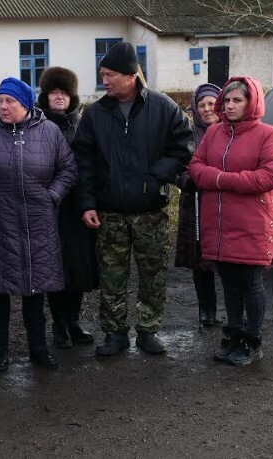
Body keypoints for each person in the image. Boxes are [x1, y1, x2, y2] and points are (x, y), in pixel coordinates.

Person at [73, 42, 193, 356]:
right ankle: (115, 334)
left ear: (130, 75)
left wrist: (155, 177)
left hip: (151, 211)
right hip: (109, 213)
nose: (104, 81)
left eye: (109, 74)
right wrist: (87, 203)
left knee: (153, 275)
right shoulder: (95, 114)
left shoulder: (163, 107)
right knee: (112, 277)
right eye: (102, 74)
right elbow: (83, 162)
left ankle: (148, 331)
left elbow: (184, 147)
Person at [0, 77, 77, 371]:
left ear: (25, 104)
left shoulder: (49, 131)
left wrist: (52, 196)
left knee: (35, 293)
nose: (3, 106)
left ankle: (39, 349)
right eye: (0, 100)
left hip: (39, 224)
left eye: (9, 101)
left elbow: (68, 168)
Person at [189, 76, 273, 366]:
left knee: (250, 283)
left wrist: (221, 179)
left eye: (237, 100)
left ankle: (252, 341)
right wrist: (220, 178)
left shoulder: (268, 134)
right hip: (218, 223)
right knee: (229, 282)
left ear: (251, 102)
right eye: (227, 100)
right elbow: (196, 167)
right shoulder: (213, 132)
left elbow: (270, 176)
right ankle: (233, 334)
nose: (229, 106)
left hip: (252, 223)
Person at [35, 67, 97, 348]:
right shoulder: (37, 126)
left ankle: (73, 320)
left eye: (64, 92)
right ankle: (59, 324)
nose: (59, 97)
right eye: (54, 92)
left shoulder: (81, 124)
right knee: (55, 267)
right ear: (45, 96)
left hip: (78, 207)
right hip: (50, 206)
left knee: (78, 266)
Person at [175, 84, 222, 327]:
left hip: (224, 205)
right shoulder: (188, 136)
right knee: (201, 261)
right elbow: (177, 168)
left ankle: (237, 311)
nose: (206, 109)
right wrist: (189, 178)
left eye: (211, 103)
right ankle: (207, 310)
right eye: (201, 105)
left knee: (229, 258)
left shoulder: (230, 132)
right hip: (196, 203)